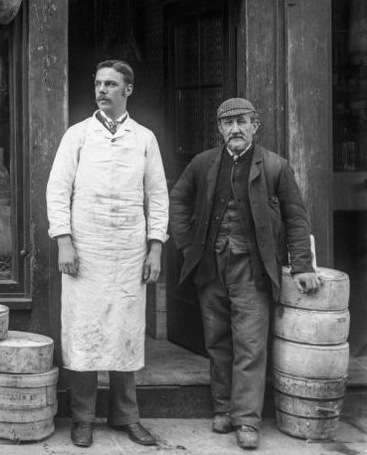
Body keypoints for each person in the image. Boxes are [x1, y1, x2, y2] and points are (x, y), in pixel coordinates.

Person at [168, 98, 322, 450]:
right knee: (217, 341)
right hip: (210, 265)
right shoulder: (203, 163)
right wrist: (187, 244)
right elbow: (178, 199)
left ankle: (247, 420)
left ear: (256, 126)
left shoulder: (274, 167)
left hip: (251, 268)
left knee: (250, 344)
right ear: (219, 129)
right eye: (227, 123)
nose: (234, 129)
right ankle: (222, 409)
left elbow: (297, 218)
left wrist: (301, 265)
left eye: (241, 122)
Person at [46, 60, 168, 448]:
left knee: (125, 333)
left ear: (127, 90)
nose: (102, 90)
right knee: (84, 334)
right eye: (98, 83)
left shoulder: (144, 138)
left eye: (111, 84)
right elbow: (57, 190)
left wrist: (155, 249)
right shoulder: (78, 135)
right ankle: (83, 417)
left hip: (129, 251)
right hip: (85, 250)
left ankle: (125, 416)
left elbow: (158, 196)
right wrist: (64, 240)